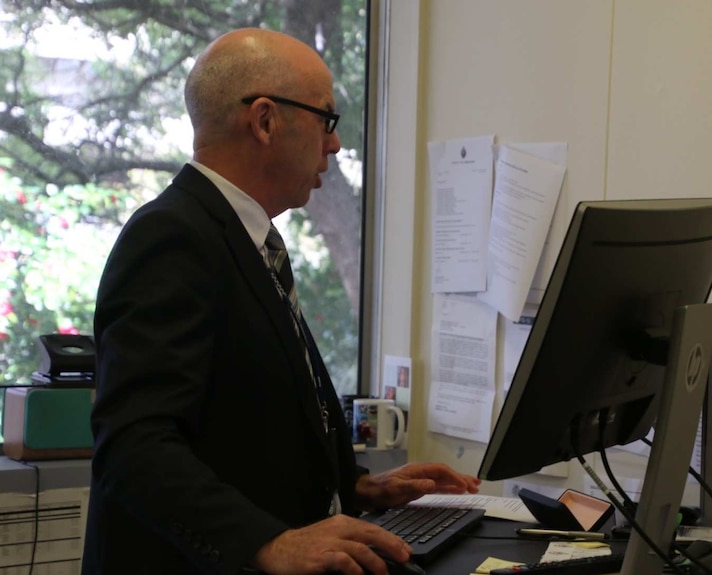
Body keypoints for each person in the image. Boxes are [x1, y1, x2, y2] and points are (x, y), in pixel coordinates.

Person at [82, 28, 480, 575]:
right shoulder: (172, 237)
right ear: (265, 120)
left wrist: (358, 487)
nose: (334, 143)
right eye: (326, 119)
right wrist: (267, 543)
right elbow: (134, 447)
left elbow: (246, 429)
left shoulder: (251, 240)